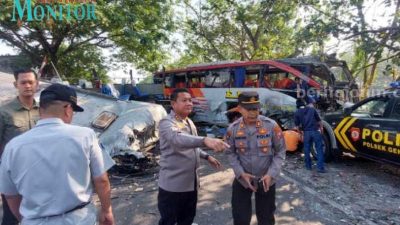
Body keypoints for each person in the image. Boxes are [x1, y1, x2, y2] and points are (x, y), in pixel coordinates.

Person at [0, 83, 115, 225]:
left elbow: (10, 195)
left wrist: (25, 219)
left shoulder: (13, 147)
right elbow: (101, 181)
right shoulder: (85, 136)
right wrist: (106, 210)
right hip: (79, 220)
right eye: (73, 110)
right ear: (67, 109)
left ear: (41, 109)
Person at [157, 88, 229, 225]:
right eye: (184, 100)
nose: (189, 103)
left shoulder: (188, 121)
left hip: (191, 184)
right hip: (173, 186)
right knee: (168, 221)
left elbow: (192, 146)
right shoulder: (166, 123)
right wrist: (204, 140)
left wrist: (207, 156)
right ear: (173, 104)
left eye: (190, 100)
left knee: (187, 218)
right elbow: (177, 139)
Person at [225, 91, 286, 225]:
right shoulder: (232, 129)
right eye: (249, 109)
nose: (253, 112)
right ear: (240, 109)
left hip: (266, 180)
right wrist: (240, 173)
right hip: (242, 180)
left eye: (256, 108)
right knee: (240, 218)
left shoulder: (271, 126)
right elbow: (230, 152)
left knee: (266, 218)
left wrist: (272, 174)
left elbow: (280, 151)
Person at [0, 68, 40, 225]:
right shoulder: (4, 112)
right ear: (15, 84)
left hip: (39, 171)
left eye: (31, 82)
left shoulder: (44, 110)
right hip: (13, 173)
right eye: (23, 82)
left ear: (37, 84)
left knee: (38, 213)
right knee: (11, 216)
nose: (27, 86)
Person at [294, 98, 326, 173]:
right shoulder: (312, 109)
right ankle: (320, 168)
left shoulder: (297, 112)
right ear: (304, 103)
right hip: (315, 131)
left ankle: (308, 166)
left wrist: (300, 133)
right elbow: (319, 121)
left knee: (307, 150)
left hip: (306, 133)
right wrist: (321, 128)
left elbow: (297, 127)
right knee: (319, 149)